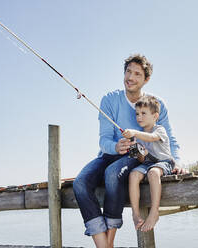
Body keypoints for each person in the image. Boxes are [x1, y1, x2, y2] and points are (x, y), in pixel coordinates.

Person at [72, 54, 183, 248]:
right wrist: (115, 146)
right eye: (128, 72)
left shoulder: (157, 104)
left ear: (146, 79)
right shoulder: (109, 100)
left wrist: (178, 161)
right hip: (109, 154)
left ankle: (110, 240)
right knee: (80, 183)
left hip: (137, 156)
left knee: (112, 173)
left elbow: (169, 137)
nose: (130, 77)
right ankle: (103, 245)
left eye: (137, 74)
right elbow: (104, 138)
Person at [122, 95, 175, 232]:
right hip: (148, 163)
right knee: (133, 175)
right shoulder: (138, 136)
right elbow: (140, 160)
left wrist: (134, 133)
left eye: (143, 113)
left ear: (155, 116)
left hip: (164, 162)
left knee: (153, 172)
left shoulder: (159, 130)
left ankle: (154, 212)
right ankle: (135, 214)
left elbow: (151, 138)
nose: (139, 117)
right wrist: (139, 152)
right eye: (137, 114)